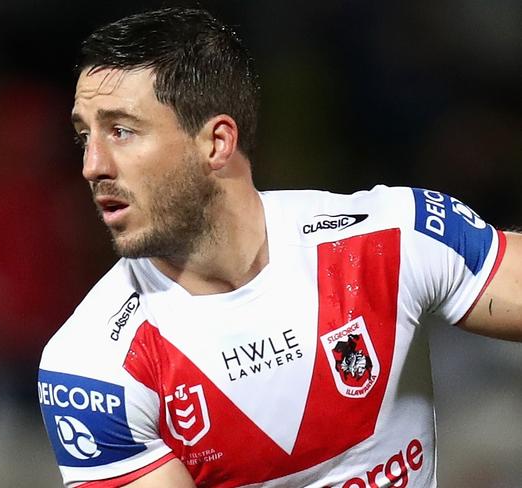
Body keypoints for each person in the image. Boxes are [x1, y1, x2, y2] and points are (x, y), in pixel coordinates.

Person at [37, 7, 522, 488]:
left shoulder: (391, 241)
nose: (92, 164)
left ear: (217, 143)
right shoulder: (91, 370)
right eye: (85, 135)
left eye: (121, 130)